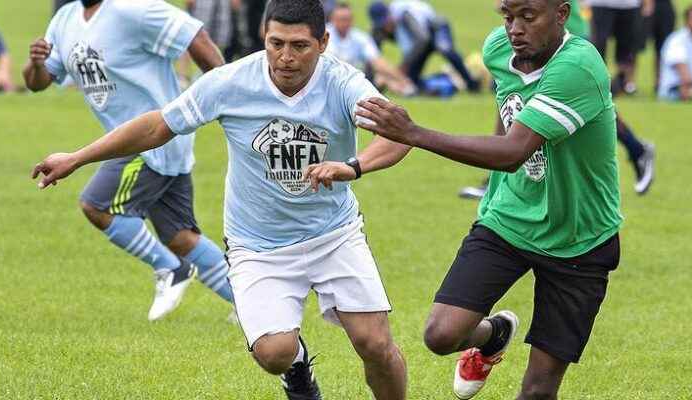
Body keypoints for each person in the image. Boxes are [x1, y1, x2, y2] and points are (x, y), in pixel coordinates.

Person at [30, 1, 411, 399]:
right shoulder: (231, 82)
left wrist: (352, 166)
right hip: (258, 243)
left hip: (333, 233)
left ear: (323, 43)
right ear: (263, 37)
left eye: (299, 46)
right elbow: (158, 125)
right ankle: (297, 369)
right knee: (274, 353)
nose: (285, 57)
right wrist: (77, 157)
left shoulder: (344, 82)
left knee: (375, 345)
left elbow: (398, 133)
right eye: (275, 43)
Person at [353, 0, 623, 398]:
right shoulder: (500, 49)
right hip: (508, 219)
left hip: (579, 238)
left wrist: (413, 133)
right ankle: (493, 335)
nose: (514, 28)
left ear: (562, 14)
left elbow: (512, 152)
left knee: (538, 391)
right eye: (508, 16)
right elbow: (506, 113)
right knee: (441, 335)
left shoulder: (578, 68)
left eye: (528, 17)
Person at [23, 0, 233, 321]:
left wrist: (225, 98)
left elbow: (196, 36)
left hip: (153, 136)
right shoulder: (65, 19)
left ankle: (171, 270)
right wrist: (36, 64)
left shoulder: (134, 9)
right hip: (127, 140)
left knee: (97, 204)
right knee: (180, 237)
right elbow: (37, 83)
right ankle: (253, 302)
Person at [461, 0, 654, 199]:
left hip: (559, 32)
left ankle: (637, 149)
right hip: (535, 28)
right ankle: (497, 178)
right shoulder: (501, 40)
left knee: (589, 104)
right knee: (512, 99)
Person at [369, 0, 480, 92]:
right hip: (422, 43)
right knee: (411, 81)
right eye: (381, 24)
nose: (385, 26)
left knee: (446, 50)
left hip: (435, 27)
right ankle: (445, 80)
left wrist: (405, 65)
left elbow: (422, 39)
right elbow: (371, 55)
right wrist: (371, 81)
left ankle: (471, 82)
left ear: (389, 14)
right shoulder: (379, 30)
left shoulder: (403, 14)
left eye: (386, 21)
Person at [327, 2, 415, 95]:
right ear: (332, 20)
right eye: (342, 19)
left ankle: (406, 89)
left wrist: (401, 79)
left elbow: (378, 61)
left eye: (348, 19)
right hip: (329, 80)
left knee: (382, 77)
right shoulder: (323, 35)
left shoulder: (360, 37)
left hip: (354, 80)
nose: (345, 23)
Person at [586, 0, 653, 95]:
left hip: (629, 5)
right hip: (600, 4)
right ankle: (597, 83)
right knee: (599, 45)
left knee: (627, 47)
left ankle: (624, 83)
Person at [643, 0, 676, 91]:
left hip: (665, 6)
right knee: (635, 46)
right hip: (642, 5)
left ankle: (660, 82)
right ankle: (629, 84)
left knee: (664, 47)